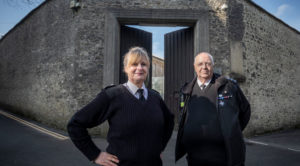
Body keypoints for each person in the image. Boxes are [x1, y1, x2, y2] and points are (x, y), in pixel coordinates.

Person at [67, 47, 174, 166]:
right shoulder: (112, 95)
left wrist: (159, 148)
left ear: (148, 68)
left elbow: (169, 122)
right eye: (134, 64)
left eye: (143, 64)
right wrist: (95, 154)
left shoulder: (156, 98)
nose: (139, 68)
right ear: (126, 68)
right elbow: (75, 124)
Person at [175, 52, 251, 166]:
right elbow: (183, 116)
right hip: (194, 158)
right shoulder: (186, 90)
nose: (204, 67)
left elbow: (245, 111)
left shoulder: (228, 86)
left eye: (208, 64)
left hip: (224, 158)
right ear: (194, 66)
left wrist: (231, 130)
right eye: (200, 64)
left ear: (213, 65)